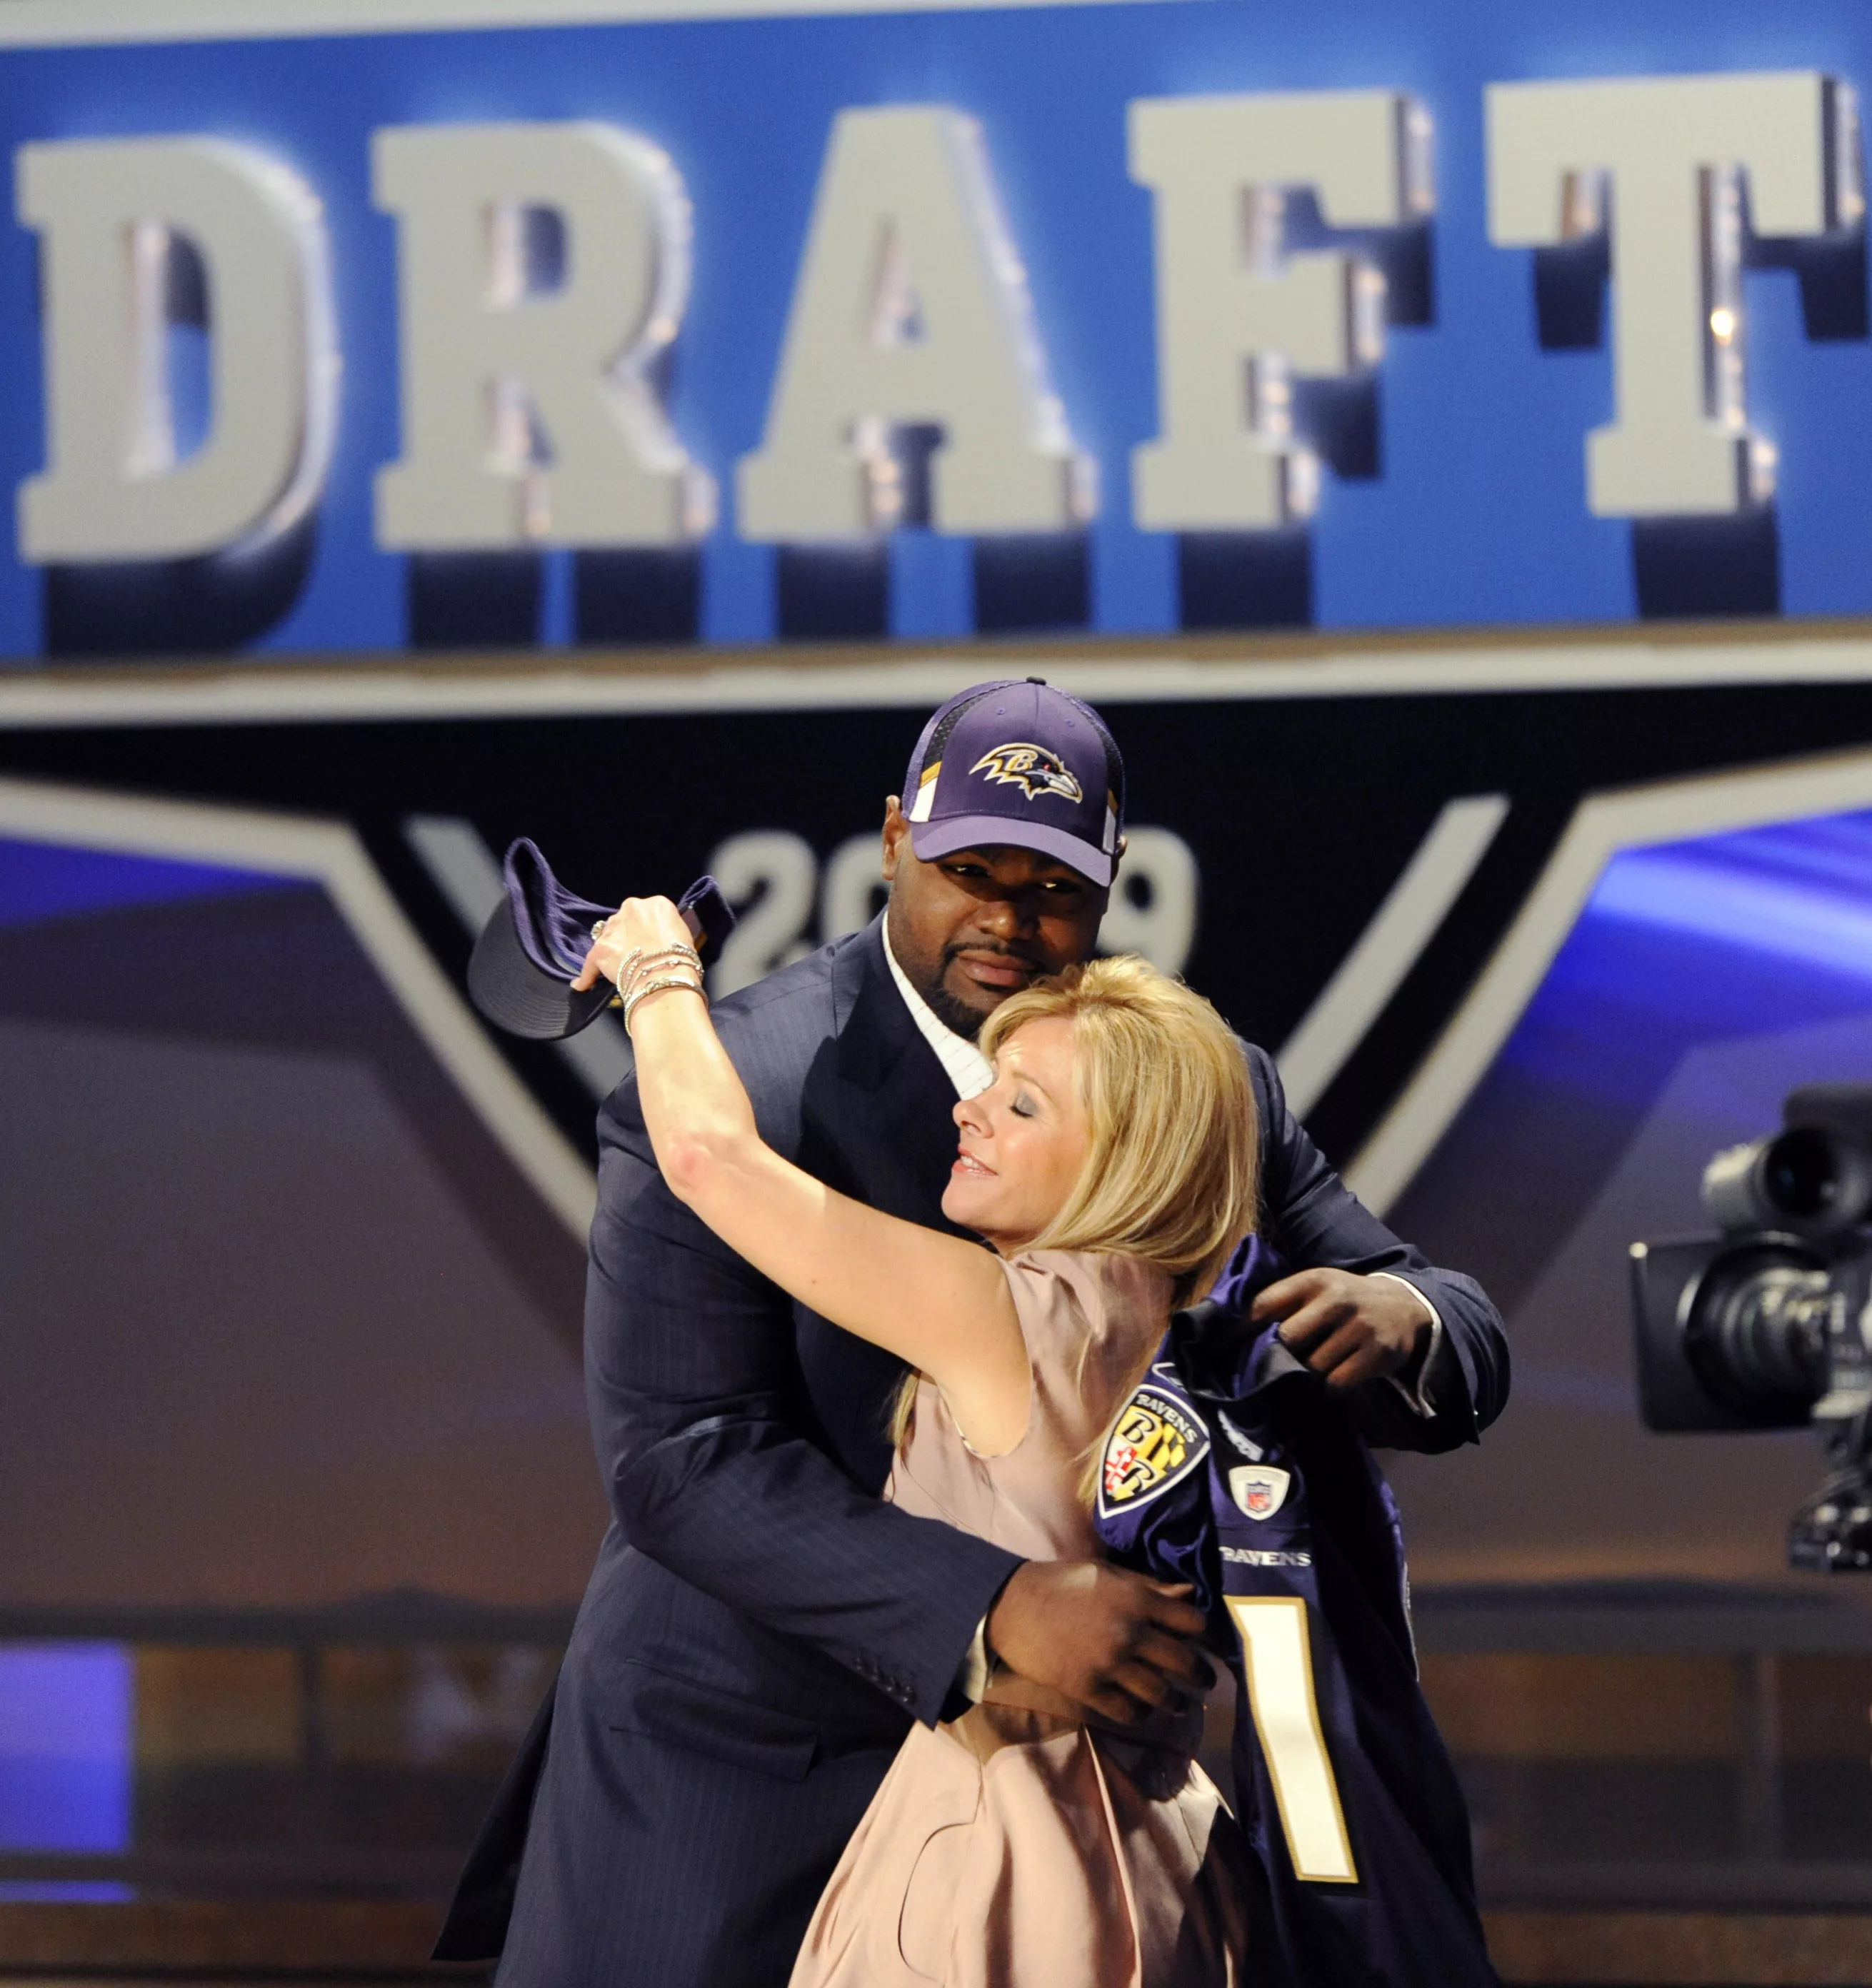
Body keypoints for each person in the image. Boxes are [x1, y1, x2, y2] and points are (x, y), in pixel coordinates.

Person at [437, 678, 1508, 1988]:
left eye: (1052, 885)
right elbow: (683, 1457)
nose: (1006, 916)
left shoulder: (1179, 1083)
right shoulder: (752, 1074)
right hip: (742, 1780)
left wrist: (1407, 1319)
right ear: (895, 840)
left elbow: (1429, 1306)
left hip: (1071, 1822)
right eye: (967, 869)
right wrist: (991, 1609)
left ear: (1114, 885)